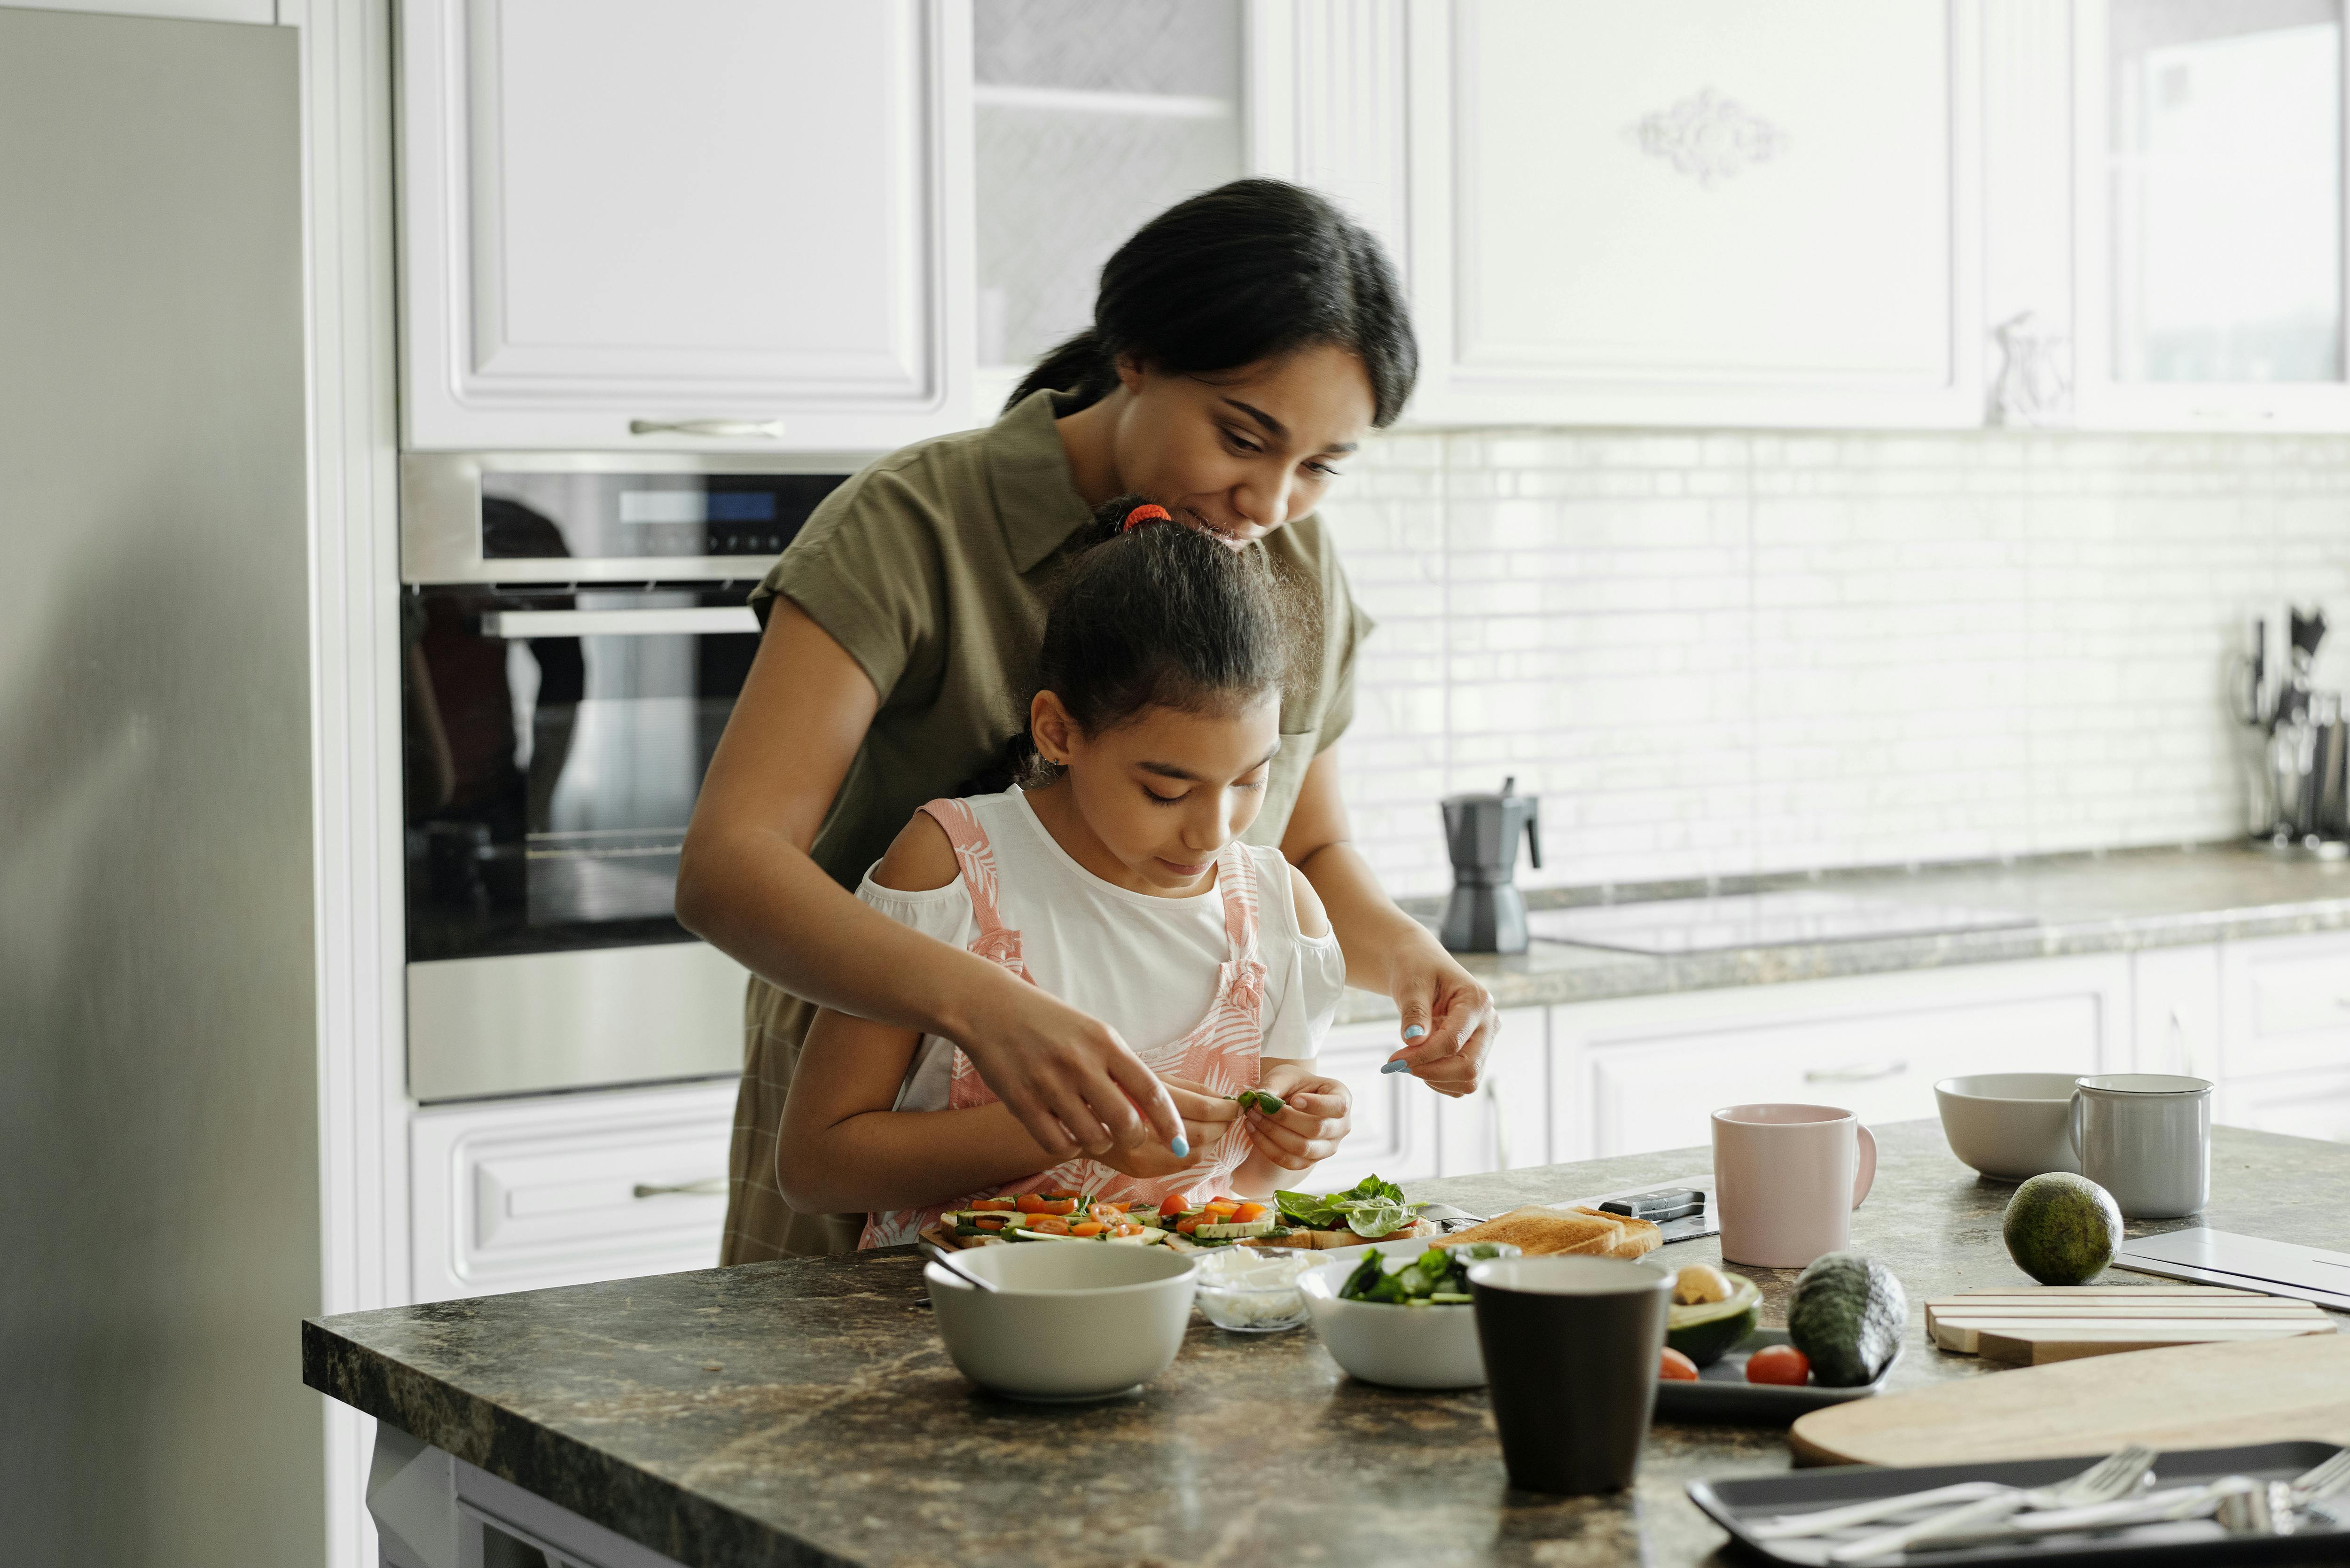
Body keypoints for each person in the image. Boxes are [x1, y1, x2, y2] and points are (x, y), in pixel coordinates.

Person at [677, 178, 1500, 1262]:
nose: (1270, 501)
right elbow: (729, 867)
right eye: (1242, 437)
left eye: (1318, 468)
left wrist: (1407, 961)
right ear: (1137, 357)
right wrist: (988, 1009)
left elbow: (1301, 845)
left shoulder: (1290, 559)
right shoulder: (912, 524)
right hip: (885, 1114)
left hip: (1150, 1218)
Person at [779, 499, 1346, 1241]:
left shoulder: (1278, 912)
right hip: (947, 1329)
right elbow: (816, 1166)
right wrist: (1069, 1128)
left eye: (1250, 780)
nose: (1214, 830)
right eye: (1166, 790)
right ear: (1058, 730)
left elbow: (1246, 1188)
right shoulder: (953, 869)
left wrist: (1293, 1141)